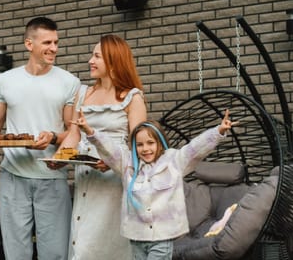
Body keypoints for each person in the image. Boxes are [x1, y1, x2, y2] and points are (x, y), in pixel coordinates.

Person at [0, 16, 81, 260]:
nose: (54, 48)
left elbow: (72, 131)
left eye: (56, 42)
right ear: (29, 44)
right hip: (13, 177)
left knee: (54, 254)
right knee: (15, 253)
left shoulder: (69, 82)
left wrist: (53, 137)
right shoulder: (5, 80)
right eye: (47, 42)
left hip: (52, 177)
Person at [72, 109, 238, 260]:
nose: (145, 149)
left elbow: (196, 148)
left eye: (150, 143)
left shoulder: (174, 161)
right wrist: (89, 131)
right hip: (136, 238)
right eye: (140, 144)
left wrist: (219, 131)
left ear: (159, 143)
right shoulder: (127, 165)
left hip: (162, 238)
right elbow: (109, 149)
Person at [49, 34, 147, 260]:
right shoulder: (83, 93)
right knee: (81, 243)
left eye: (96, 56)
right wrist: (60, 157)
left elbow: (138, 148)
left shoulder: (133, 98)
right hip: (86, 180)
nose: (90, 61)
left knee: (106, 245)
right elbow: (74, 134)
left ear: (113, 61)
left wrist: (113, 162)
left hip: (115, 184)